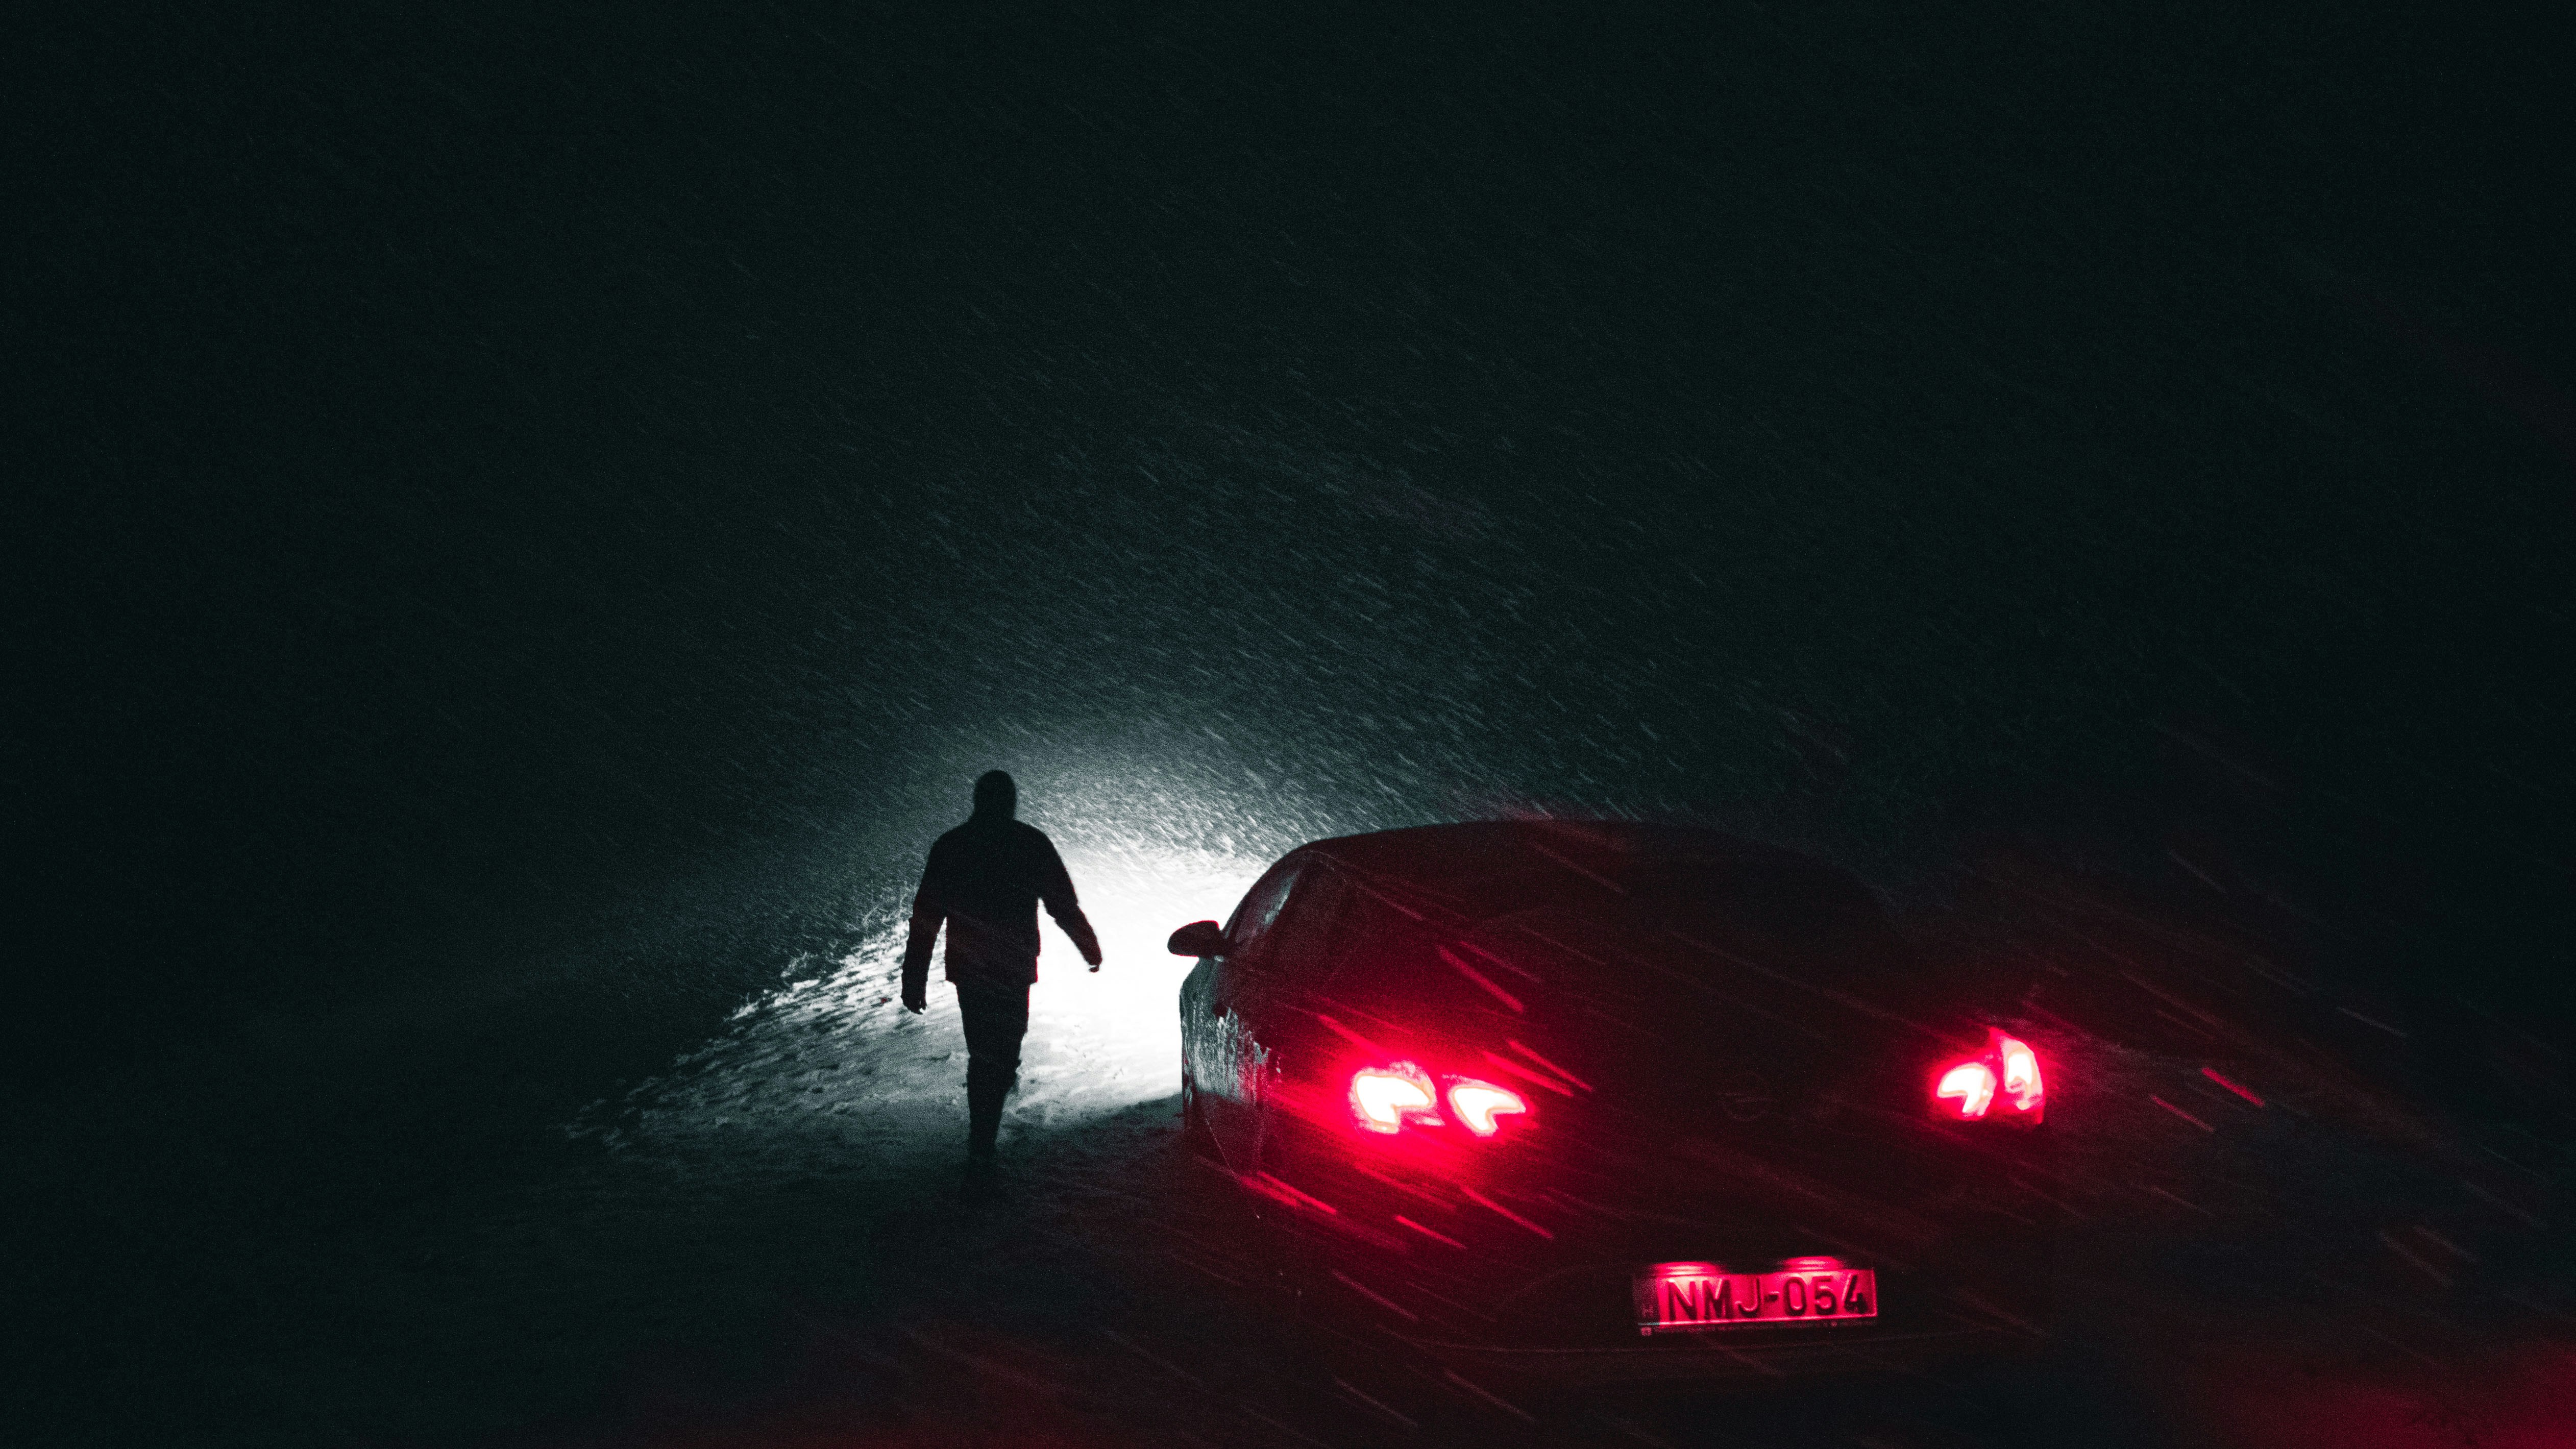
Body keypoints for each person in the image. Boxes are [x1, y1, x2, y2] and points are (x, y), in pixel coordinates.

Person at [901, 770, 1102, 1169]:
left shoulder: (952, 846)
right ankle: (983, 1140)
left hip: (971, 967)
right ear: (1010, 802)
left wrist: (914, 976)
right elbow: (1061, 904)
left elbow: (926, 916)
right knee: (1004, 1049)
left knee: (983, 1052)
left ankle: (982, 1140)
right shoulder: (1030, 843)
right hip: (1013, 965)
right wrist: (1088, 946)